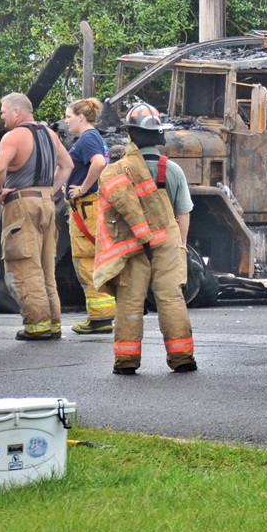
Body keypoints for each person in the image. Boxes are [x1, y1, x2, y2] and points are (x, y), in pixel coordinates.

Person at [91, 103, 196, 375]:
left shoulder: (118, 170)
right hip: (168, 243)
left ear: (131, 136)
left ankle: (126, 362)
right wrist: (180, 245)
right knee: (171, 299)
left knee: (129, 301)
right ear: (159, 136)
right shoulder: (172, 170)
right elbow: (183, 213)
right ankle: (182, 357)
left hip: (132, 246)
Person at [0, 92, 72, 342]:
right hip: (47, 203)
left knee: (25, 266)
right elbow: (67, 165)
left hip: (21, 204)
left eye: (4, 111)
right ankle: (54, 323)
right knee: (46, 268)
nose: (2, 116)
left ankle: (37, 325)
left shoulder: (13, 136)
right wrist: (51, 191)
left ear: (16, 112)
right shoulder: (50, 135)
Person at [62, 97, 114, 334]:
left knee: (86, 261)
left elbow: (98, 162)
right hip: (88, 207)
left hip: (86, 208)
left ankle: (100, 318)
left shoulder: (88, 137)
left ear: (81, 117)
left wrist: (81, 188)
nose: (66, 120)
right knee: (92, 259)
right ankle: (101, 315)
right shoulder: (92, 137)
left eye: (69, 116)